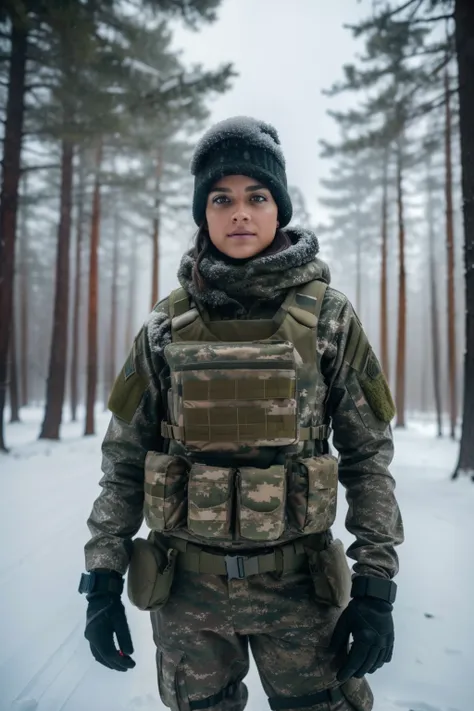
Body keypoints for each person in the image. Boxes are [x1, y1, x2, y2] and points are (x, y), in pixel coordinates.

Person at [79, 117, 404, 711]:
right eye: (220, 198)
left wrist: (376, 584)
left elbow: (368, 458)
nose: (240, 213)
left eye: (257, 196)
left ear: (278, 208)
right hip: (187, 597)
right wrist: (101, 578)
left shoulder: (330, 317)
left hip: (301, 593)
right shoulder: (163, 324)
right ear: (203, 214)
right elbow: (124, 458)